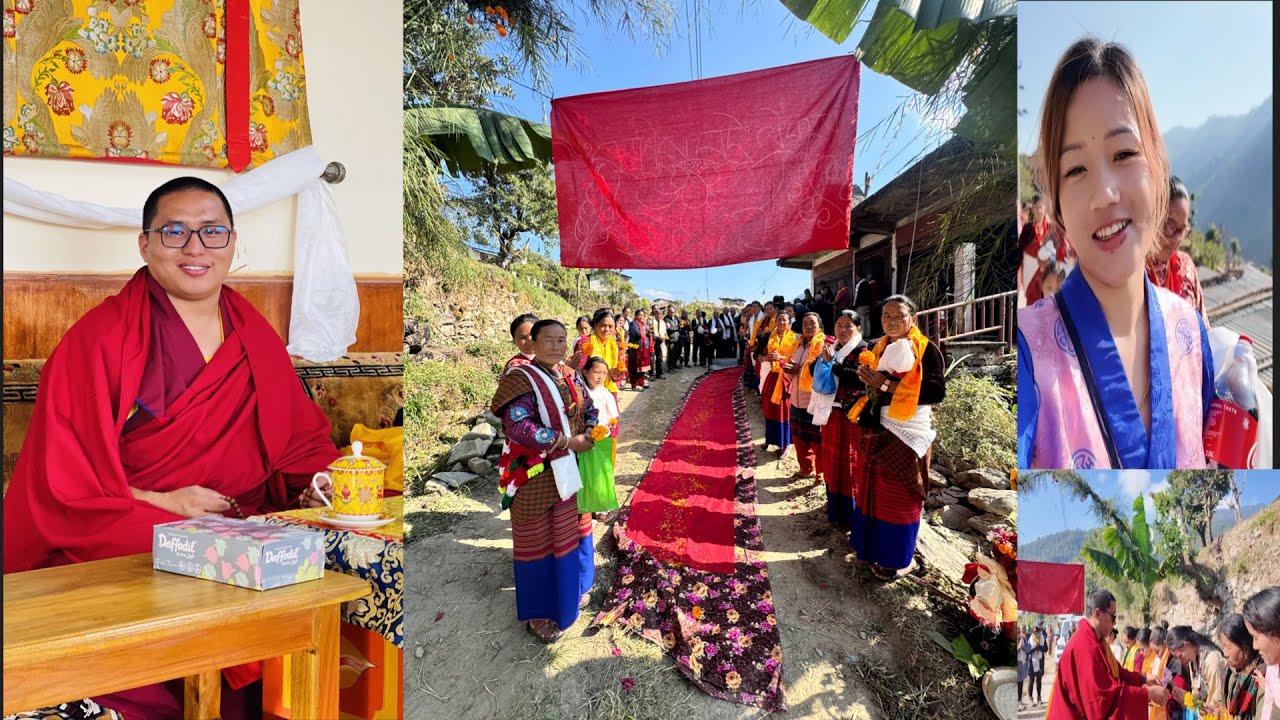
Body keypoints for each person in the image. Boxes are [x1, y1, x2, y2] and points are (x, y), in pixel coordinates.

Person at [2, 177, 339, 720]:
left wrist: (321, 481)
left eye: (212, 232)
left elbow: (301, 443)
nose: (195, 248)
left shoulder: (254, 335)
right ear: (145, 244)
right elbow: (60, 481)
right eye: (175, 232)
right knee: (188, 572)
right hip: (132, 521)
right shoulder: (100, 337)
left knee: (322, 552)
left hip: (244, 521)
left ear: (232, 242)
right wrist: (166, 503)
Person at [1017, 38, 1214, 470]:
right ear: (1057, 203)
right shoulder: (1028, 356)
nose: (1104, 194)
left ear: (1157, 167)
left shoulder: (1191, 336)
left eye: (1124, 153)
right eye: (1076, 169)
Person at [489, 319, 597, 643]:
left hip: (572, 470)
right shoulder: (520, 378)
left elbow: (589, 407)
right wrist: (566, 441)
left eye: (561, 340)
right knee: (538, 541)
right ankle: (540, 613)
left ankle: (573, 591)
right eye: (548, 340)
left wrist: (589, 430)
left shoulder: (571, 374)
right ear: (532, 345)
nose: (555, 346)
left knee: (571, 531)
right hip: (536, 475)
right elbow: (518, 426)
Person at [847, 295, 945, 580]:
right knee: (872, 491)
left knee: (900, 496)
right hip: (877, 427)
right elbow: (873, 385)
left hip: (907, 431)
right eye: (886, 316)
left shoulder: (925, 349)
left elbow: (936, 391)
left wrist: (886, 384)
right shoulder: (878, 346)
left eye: (899, 316)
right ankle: (869, 548)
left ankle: (897, 560)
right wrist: (867, 379)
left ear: (912, 319)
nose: (892, 321)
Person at [1047, 590, 1169, 718]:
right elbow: (1102, 701)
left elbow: (1117, 673)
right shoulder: (1085, 646)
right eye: (1113, 616)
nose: (1115, 623)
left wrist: (1143, 678)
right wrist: (1147, 694)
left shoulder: (1097, 641)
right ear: (1098, 613)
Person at [816, 311, 867, 528]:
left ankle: (851, 513)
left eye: (848, 325)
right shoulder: (832, 347)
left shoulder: (864, 350)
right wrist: (822, 361)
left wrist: (833, 365)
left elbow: (860, 378)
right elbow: (814, 369)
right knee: (831, 462)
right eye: (839, 325)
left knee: (850, 464)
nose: (843, 330)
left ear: (858, 329)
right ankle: (834, 506)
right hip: (831, 413)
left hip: (851, 416)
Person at [1146, 176, 1206, 318]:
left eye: (1182, 230)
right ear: (1153, 219)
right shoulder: (1133, 274)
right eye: (1170, 227)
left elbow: (1202, 324)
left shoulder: (1186, 268)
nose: (1176, 238)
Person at [781, 312, 828, 480]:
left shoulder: (825, 345)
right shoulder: (797, 345)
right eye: (805, 323)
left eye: (812, 323)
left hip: (814, 401)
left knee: (817, 441)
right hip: (796, 399)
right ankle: (806, 469)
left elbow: (824, 374)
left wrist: (798, 370)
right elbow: (788, 373)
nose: (808, 326)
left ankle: (820, 474)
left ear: (820, 326)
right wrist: (788, 370)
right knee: (799, 438)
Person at [577, 357, 620, 522]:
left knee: (602, 474)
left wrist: (609, 427)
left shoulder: (604, 393)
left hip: (602, 439)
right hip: (584, 438)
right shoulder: (579, 392)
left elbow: (613, 416)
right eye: (597, 372)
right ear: (585, 372)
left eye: (604, 373)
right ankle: (586, 507)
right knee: (586, 473)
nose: (601, 377)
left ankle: (602, 507)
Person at [1207, 613, 1265, 720]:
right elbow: (1220, 701)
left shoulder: (1261, 678)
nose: (1224, 653)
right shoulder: (1229, 672)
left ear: (1245, 648)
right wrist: (1213, 709)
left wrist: (1223, 717)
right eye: (1223, 647)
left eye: (1228, 647)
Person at [760, 310, 797, 455]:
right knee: (769, 408)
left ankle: (785, 443)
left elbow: (797, 359)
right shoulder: (768, 336)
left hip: (786, 377)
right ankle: (770, 439)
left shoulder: (795, 338)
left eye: (784, 320)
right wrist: (767, 357)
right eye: (779, 319)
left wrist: (782, 358)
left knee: (784, 410)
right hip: (772, 376)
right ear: (775, 321)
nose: (781, 322)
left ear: (789, 322)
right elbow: (757, 354)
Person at [1167, 625, 1226, 714]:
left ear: (1186, 645)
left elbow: (1216, 702)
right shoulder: (1192, 661)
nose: (1180, 661)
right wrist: (1188, 699)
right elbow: (1196, 691)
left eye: (1180, 656)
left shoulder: (1211, 659)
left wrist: (1193, 703)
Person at [1243, 587, 1280, 720]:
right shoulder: (1272, 671)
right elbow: (1267, 711)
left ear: (1275, 633)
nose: (1254, 646)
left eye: (1256, 638)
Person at [576, 308, 626, 400]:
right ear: (595, 325)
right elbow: (579, 369)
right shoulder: (586, 342)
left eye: (610, 326)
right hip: (589, 392)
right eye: (603, 325)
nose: (607, 329)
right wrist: (606, 373)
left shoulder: (614, 346)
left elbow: (620, 370)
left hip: (609, 392)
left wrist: (616, 374)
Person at [626, 308, 653, 391]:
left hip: (644, 348)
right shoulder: (633, 323)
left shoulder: (644, 324)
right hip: (636, 348)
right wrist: (647, 332)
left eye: (642, 315)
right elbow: (637, 333)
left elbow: (648, 333)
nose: (641, 317)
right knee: (635, 366)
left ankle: (641, 382)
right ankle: (635, 384)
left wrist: (649, 332)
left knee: (643, 367)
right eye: (639, 315)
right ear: (636, 315)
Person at [1031, 625, 1049, 706]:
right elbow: (1028, 651)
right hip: (1032, 662)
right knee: (1031, 680)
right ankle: (1031, 699)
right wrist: (1035, 648)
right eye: (1034, 631)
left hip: (1040, 661)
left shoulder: (1042, 639)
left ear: (1039, 632)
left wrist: (1039, 647)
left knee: (1039, 681)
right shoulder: (1030, 639)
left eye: (1037, 631)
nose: (1035, 633)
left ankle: (1039, 697)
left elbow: (1046, 649)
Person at [649, 305, 667, 380]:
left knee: (659, 358)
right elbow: (649, 332)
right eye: (658, 314)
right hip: (653, 342)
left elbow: (665, 332)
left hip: (660, 342)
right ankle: (652, 375)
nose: (659, 315)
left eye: (661, 314)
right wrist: (656, 337)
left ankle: (659, 374)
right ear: (655, 314)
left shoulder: (663, 322)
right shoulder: (651, 322)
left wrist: (664, 337)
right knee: (652, 359)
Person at [1020, 627, 1033, 710]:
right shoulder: (1019, 638)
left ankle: (1021, 700)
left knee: (1022, 682)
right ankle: (1019, 701)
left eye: (1024, 629)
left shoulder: (1027, 637)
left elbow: (1029, 650)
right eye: (1022, 629)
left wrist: (1023, 647)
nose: (1023, 630)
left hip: (1025, 662)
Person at [664, 307, 681, 374]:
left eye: (673, 312)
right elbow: (669, 329)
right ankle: (670, 368)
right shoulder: (666, 319)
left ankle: (673, 366)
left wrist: (679, 327)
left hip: (677, 338)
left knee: (675, 354)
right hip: (671, 339)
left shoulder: (675, 318)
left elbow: (679, 325)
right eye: (670, 312)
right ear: (668, 312)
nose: (672, 313)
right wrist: (678, 327)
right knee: (670, 355)